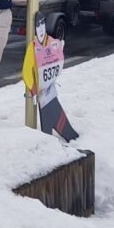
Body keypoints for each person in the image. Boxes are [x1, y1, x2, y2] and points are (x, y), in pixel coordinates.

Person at [22, 10, 79, 142]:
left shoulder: (51, 42)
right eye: (37, 24)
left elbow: (58, 58)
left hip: (49, 90)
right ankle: (49, 139)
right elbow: (26, 71)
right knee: (49, 117)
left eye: (42, 23)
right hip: (41, 92)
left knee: (53, 114)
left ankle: (56, 137)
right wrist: (32, 87)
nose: (40, 27)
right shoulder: (33, 47)